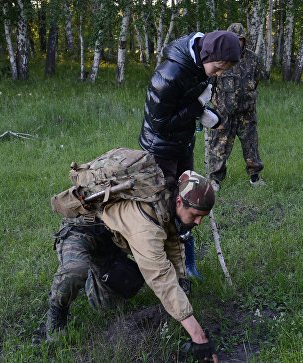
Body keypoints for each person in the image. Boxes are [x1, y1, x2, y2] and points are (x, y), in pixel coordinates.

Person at [46, 170, 219, 362]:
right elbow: (160, 277)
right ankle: (57, 311)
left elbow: (172, 241)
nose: (199, 221)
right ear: (180, 202)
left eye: (203, 216)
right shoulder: (146, 226)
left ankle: (95, 272)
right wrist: (198, 336)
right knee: (75, 270)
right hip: (81, 228)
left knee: (109, 304)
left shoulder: (167, 201)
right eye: (195, 215)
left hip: (111, 237)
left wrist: (180, 279)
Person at [139, 30, 242, 184]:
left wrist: (208, 115)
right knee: (163, 200)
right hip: (160, 150)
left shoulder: (201, 70)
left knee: (185, 194)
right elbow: (160, 125)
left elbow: (187, 103)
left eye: (224, 70)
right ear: (207, 55)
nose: (219, 74)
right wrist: (197, 106)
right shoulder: (168, 76)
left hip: (184, 144)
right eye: (217, 68)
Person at [206, 23, 265, 191]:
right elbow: (211, 82)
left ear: (244, 40)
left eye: (240, 40)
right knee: (219, 147)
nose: (237, 43)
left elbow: (256, 81)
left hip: (247, 112)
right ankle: (215, 180)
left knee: (251, 145)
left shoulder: (253, 59)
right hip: (223, 112)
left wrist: (248, 97)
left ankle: (255, 178)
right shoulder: (220, 57)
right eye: (234, 39)